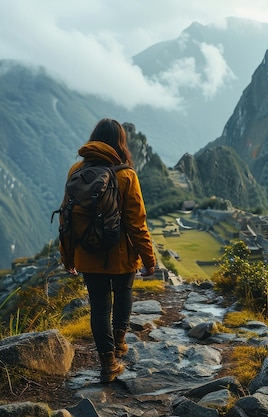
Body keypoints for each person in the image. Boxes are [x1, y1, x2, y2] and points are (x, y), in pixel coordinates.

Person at [59, 118, 156, 383]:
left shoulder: (76, 171)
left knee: (99, 307)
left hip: (88, 255)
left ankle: (107, 364)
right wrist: (150, 260)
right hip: (121, 255)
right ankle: (119, 343)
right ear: (120, 143)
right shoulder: (127, 175)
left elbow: (66, 218)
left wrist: (67, 257)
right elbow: (137, 223)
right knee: (123, 294)